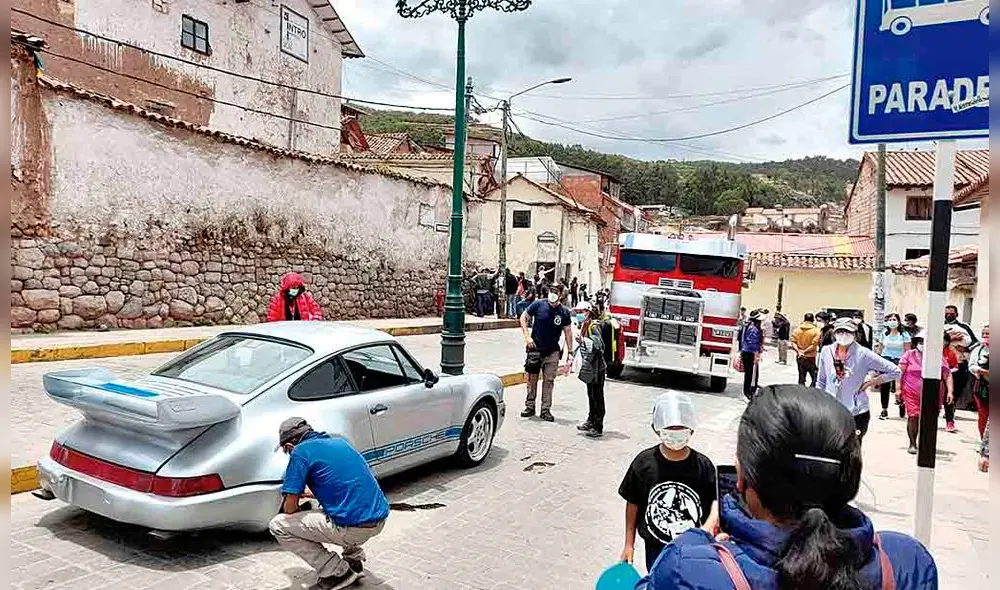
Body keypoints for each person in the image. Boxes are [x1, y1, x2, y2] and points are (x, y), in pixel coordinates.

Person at [637, 385, 937, 590]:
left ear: (742, 480)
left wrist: (699, 535)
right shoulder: (904, 561)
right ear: (848, 478)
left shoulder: (688, 568)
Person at [269, 418, 389, 590]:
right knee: (337, 505)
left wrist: (293, 497)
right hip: (380, 518)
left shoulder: (300, 452)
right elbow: (347, 485)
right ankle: (354, 561)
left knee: (278, 525)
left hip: (353, 529)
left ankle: (336, 572)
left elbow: (290, 509)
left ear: (289, 446)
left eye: (286, 452)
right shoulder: (339, 443)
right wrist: (316, 493)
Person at [620, 392, 718, 572]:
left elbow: (715, 503)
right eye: (670, 428)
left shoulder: (703, 466)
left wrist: (709, 537)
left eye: (680, 428)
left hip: (693, 551)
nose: (675, 433)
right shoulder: (644, 463)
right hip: (655, 549)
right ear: (656, 428)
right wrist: (629, 544)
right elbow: (632, 503)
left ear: (691, 428)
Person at [816, 318, 901, 443]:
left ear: (855, 334)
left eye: (848, 332)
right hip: (830, 411)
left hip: (856, 412)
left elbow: (895, 371)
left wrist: (872, 382)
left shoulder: (864, 354)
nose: (844, 335)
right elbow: (821, 381)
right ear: (834, 333)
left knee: (852, 450)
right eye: (840, 332)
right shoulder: (826, 351)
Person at [520, 284, 573, 422]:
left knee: (549, 381)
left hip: (553, 352)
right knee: (532, 379)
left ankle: (545, 410)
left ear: (561, 295)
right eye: (551, 291)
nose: (553, 294)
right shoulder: (538, 305)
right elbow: (523, 317)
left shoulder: (564, 313)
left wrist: (570, 352)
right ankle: (530, 406)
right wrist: (527, 336)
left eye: (556, 292)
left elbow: (568, 332)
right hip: (535, 349)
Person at [897, 331, 954, 454]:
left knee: (930, 418)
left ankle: (926, 443)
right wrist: (898, 389)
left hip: (933, 392)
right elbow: (899, 372)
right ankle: (912, 443)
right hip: (911, 391)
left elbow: (947, 374)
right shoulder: (909, 355)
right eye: (920, 342)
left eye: (925, 342)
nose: (922, 344)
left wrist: (950, 391)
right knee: (913, 417)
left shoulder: (937, 356)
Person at [575, 302, 607, 438]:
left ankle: (598, 426)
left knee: (597, 397)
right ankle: (590, 420)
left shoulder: (594, 326)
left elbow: (599, 344)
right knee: (591, 395)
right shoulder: (584, 325)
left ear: (588, 312)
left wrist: (584, 340)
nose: (579, 314)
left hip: (597, 368)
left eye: (581, 311)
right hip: (590, 367)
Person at [944, 304, 978, 419]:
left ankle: (952, 407)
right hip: (943, 362)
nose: (949, 315)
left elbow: (976, 342)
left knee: (958, 386)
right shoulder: (938, 325)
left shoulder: (964, 327)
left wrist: (966, 349)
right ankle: (946, 409)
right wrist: (951, 338)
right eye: (947, 313)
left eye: (951, 313)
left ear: (956, 314)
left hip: (960, 362)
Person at [878, 313, 909, 420]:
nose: (892, 321)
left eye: (894, 319)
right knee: (885, 385)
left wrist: (906, 363)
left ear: (899, 321)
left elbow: (907, 350)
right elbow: (881, 348)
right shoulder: (884, 334)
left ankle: (901, 403)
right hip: (886, 360)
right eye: (890, 319)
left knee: (899, 385)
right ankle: (884, 409)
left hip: (900, 360)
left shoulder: (904, 334)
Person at [969, 324, 989, 440]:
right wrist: (981, 371)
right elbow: (972, 366)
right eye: (984, 334)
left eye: (989, 334)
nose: (986, 336)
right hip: (982, 386)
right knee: (983, 415)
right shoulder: (978, 349)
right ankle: (984, 442)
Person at [738, 310, 764, 400]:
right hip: (750, 353)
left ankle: (749, 390)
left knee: (749, 373)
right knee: (750, 373)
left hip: (746, 351)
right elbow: (752, 343)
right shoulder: (753, 328)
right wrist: (756, 355)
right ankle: (749, 392)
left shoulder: (747, 325)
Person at [790, 313, 821, 386]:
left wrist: (799, 351)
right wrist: (805, 351)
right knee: (815, 377)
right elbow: (814, 345)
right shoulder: (816, 331)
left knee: (801, 377)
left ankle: (801, 392)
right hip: (810, 357)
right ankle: (811, 390)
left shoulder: (797, 330)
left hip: (800, 357)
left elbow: (793, 342)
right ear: (813, 320)